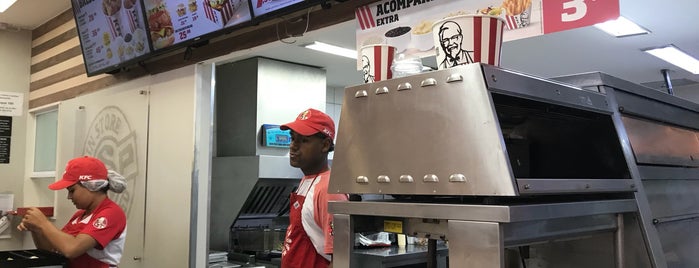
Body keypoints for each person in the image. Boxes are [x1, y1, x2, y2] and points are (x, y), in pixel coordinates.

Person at [18, 156, 128, 268]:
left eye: (72, 191)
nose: (69, 197)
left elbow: (72, 249)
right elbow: (53, 250)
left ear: (91, 185)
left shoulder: (111, 213)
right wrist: (37, 229)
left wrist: (43, 223)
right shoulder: (79, 216)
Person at [280, 108, 349, 268]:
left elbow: (340, 259)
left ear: (325, 145)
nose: (293, 146)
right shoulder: (307, 180)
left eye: (303, 140)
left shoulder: (328, 190)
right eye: (292, 138)